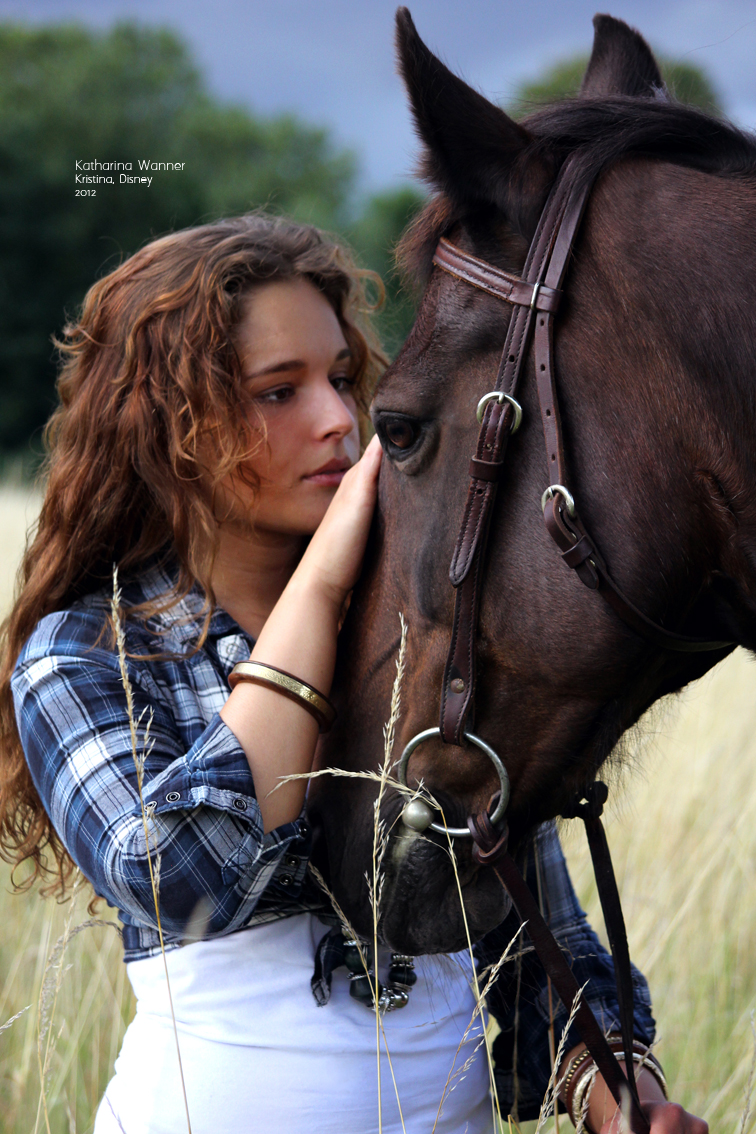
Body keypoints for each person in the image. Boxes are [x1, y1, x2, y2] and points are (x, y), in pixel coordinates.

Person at [0, 214, 705, 1134]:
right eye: (278, 390)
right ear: (168, 424)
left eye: (340, 378)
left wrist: (623, 1098)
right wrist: (324, 584)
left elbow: (543, 947)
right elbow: (184, 879)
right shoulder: (87, 653)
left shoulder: (433, 635)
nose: (340, 419)